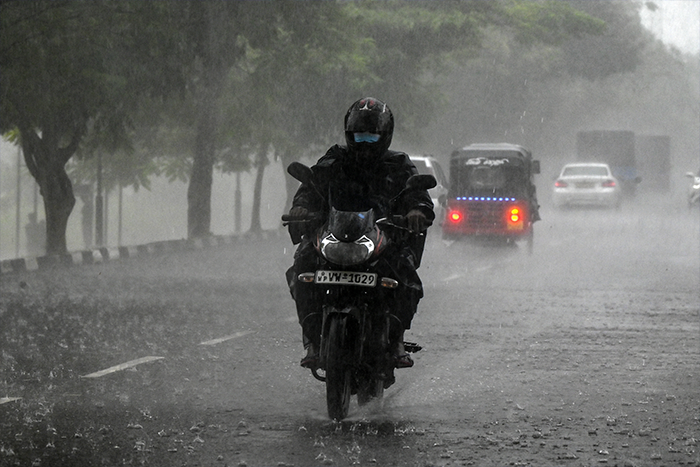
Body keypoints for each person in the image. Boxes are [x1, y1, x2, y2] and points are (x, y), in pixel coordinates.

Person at [285, 97, 435, 370]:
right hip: (335, 234)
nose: (365, 143)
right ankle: (312, 339)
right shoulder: (335, 159)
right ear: (348, 134)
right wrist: (301, 207)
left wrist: (416, 212)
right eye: (359, 136)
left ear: (385, 135)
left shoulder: (399, 164)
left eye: (371, 136)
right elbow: (311, 187)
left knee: (405, 275)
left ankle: (396, 339)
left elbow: (418, 195)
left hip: (384, 236)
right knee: (302, 266)